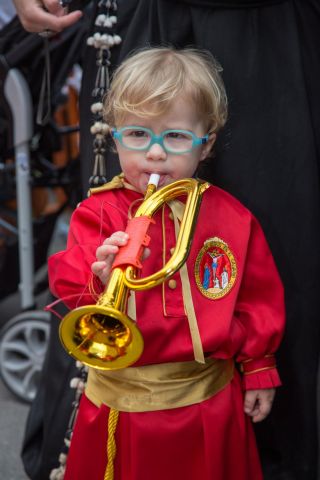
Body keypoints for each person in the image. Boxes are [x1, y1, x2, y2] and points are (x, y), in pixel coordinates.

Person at [48, 46, 285, 480]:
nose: (155, 154)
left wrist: (259, 367)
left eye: (175, 137)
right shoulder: (97, 212)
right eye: (137, 135)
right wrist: (95, 276)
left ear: (206, 144)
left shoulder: (231, 217)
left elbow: (257, 299)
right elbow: (69, 289)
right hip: (118, 408)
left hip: (207, 405)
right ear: (114, 137)